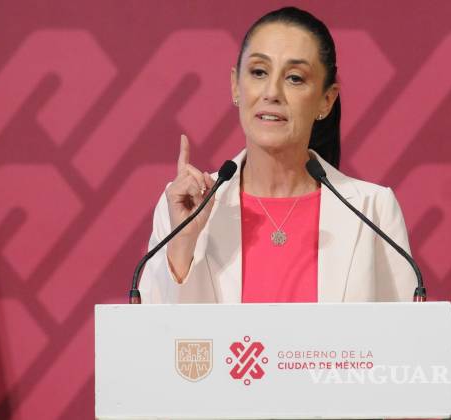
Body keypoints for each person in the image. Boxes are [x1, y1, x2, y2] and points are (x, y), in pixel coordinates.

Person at [139, 7, 416, 304]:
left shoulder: (373, 210)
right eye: (259, 72)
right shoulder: (185, 206)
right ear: (235, 85)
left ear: (326, 100)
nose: (272, 93)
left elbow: (410, 330)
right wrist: (183, 241)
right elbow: (150, 329)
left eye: (295, 78)